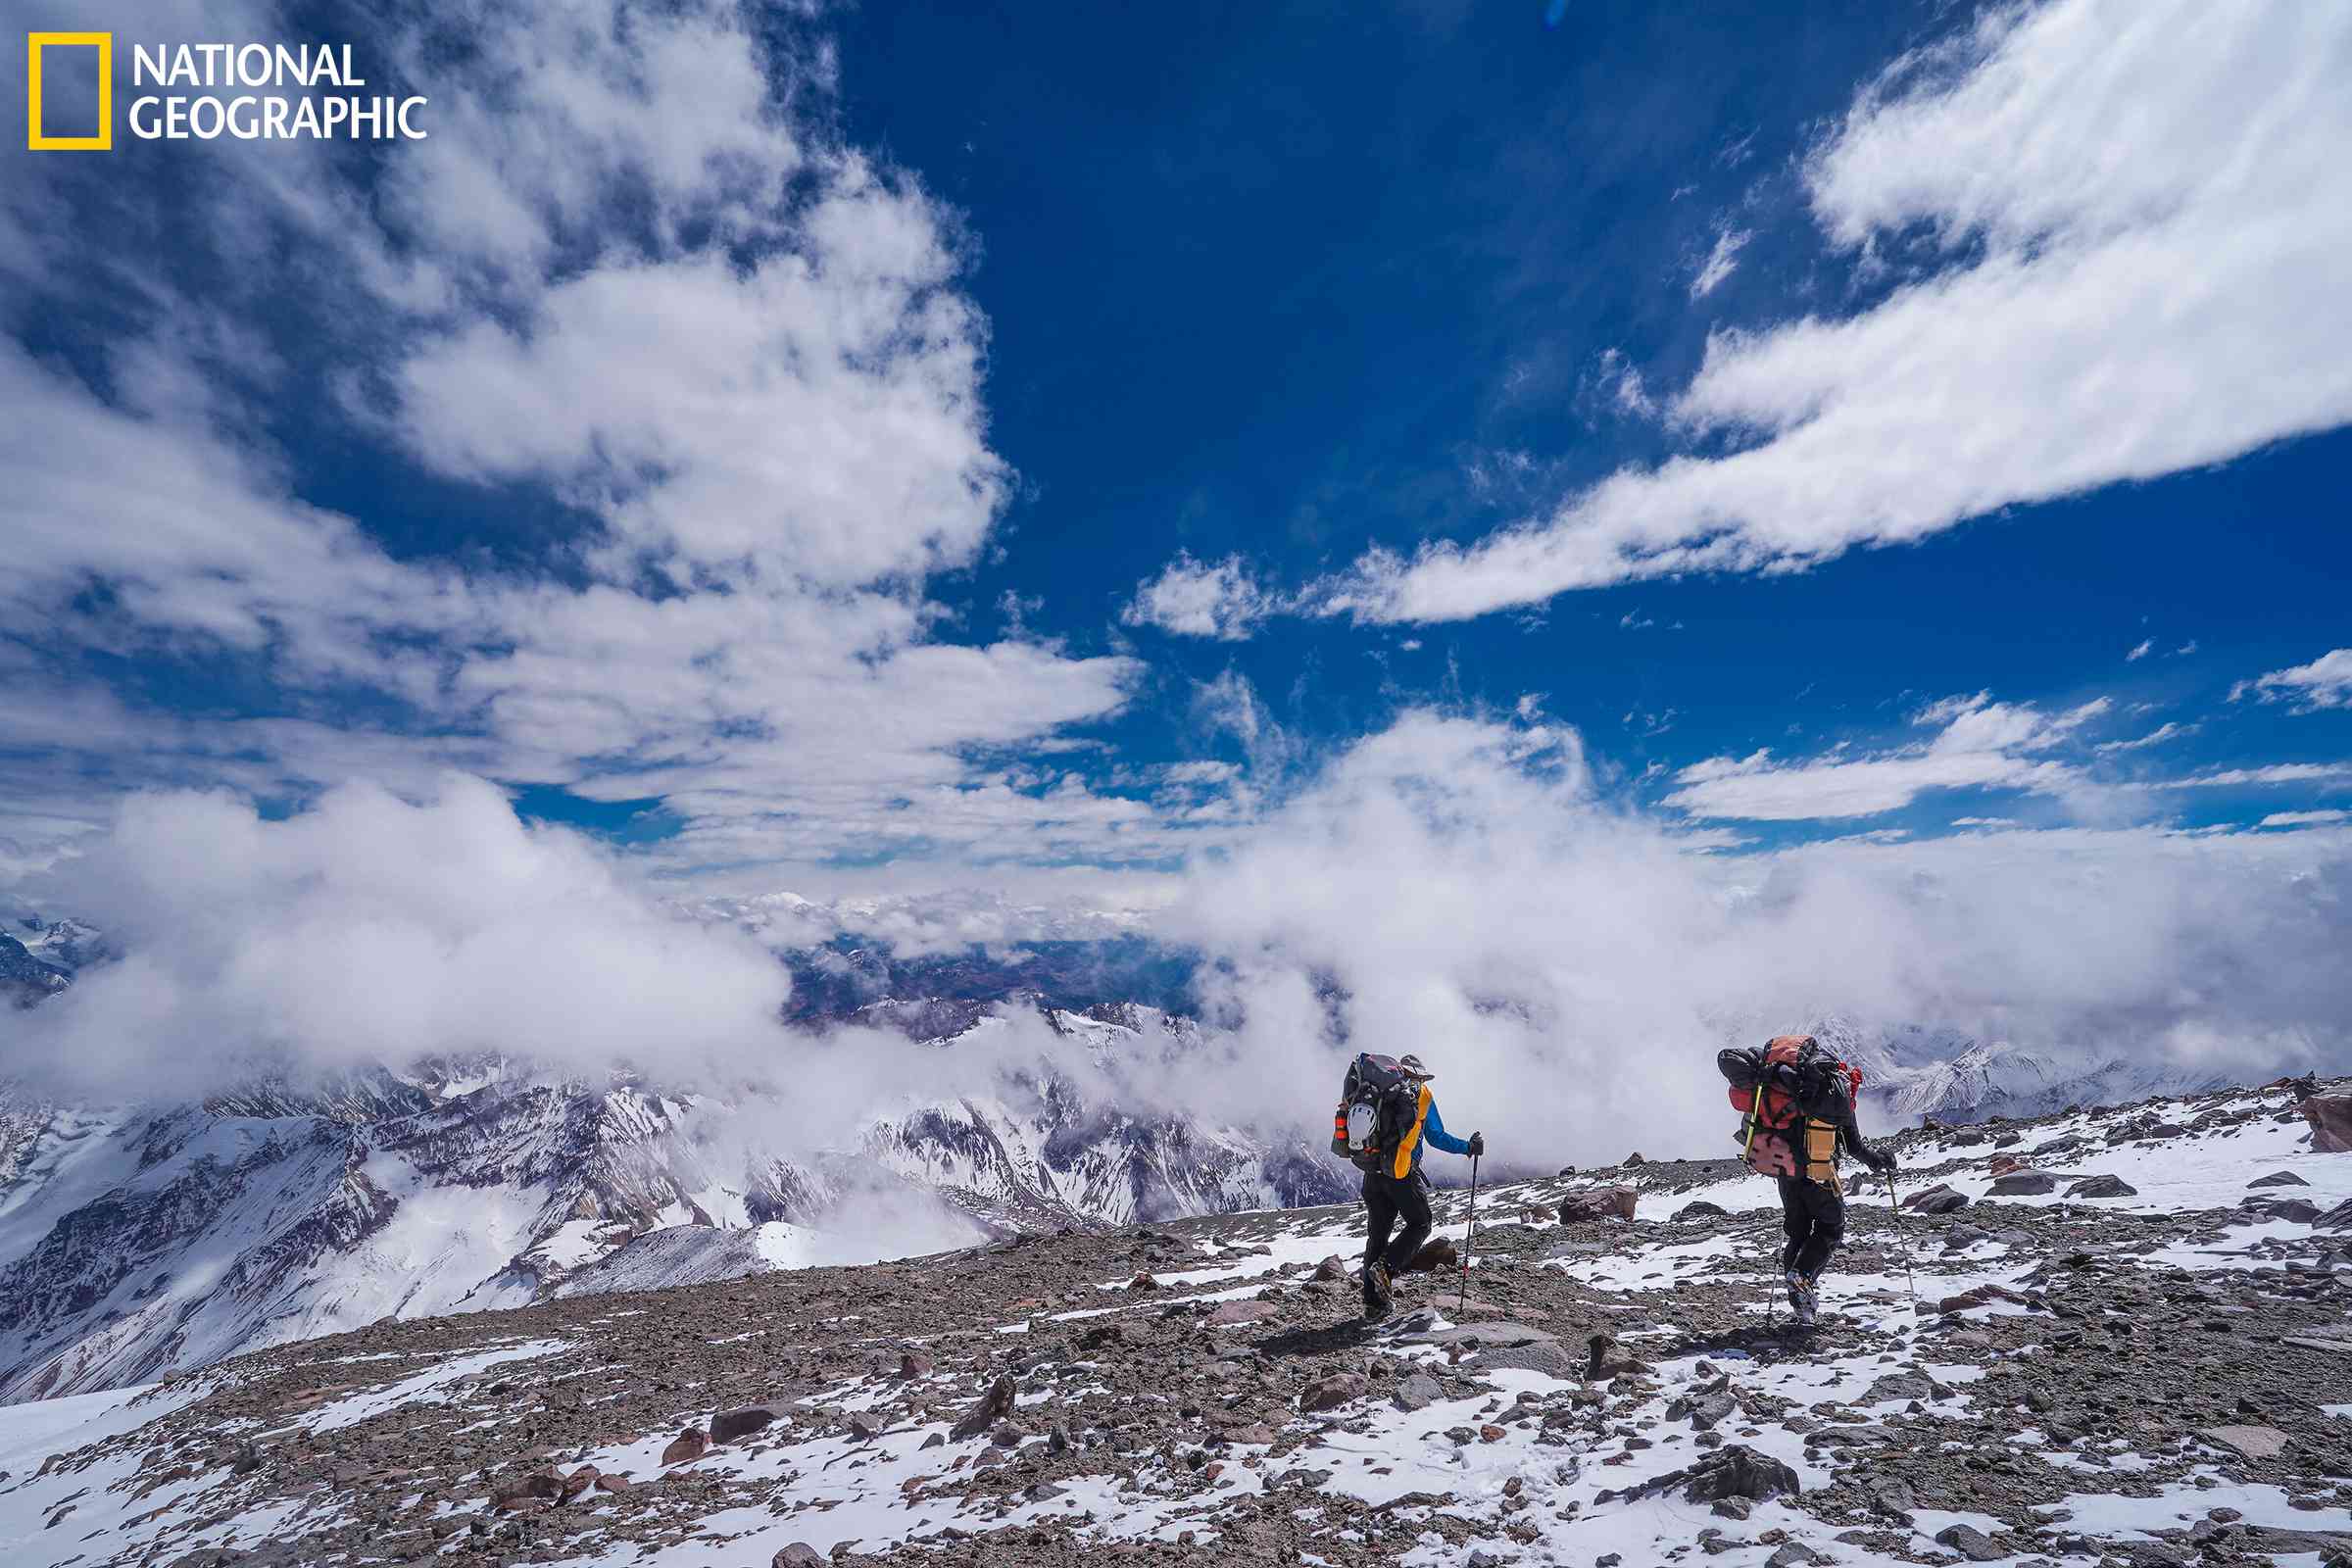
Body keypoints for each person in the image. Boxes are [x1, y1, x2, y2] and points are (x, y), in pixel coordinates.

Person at [1717, 1036, 1895, 1327]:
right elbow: (1854, 1147)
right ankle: (1803, 1279)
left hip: (1784, 1169)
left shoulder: (1768, 1087)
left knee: (1798, 1233)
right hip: (1819, 1171)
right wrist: (1879, 1160)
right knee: (1830, 1228)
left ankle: (1801, 1307)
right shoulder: (1832, 1092)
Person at [1359, 1054, 1484, 1319]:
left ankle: (1373, 1304)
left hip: (1373, 1173)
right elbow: (1437, 1137)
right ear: (1420, 1076)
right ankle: (1387, 1268)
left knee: (1378, 1236)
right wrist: (1468, 1147)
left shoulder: (1378, 1093)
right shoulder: (1421, 1095)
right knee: (1421, 1223)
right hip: (1402, 1174)